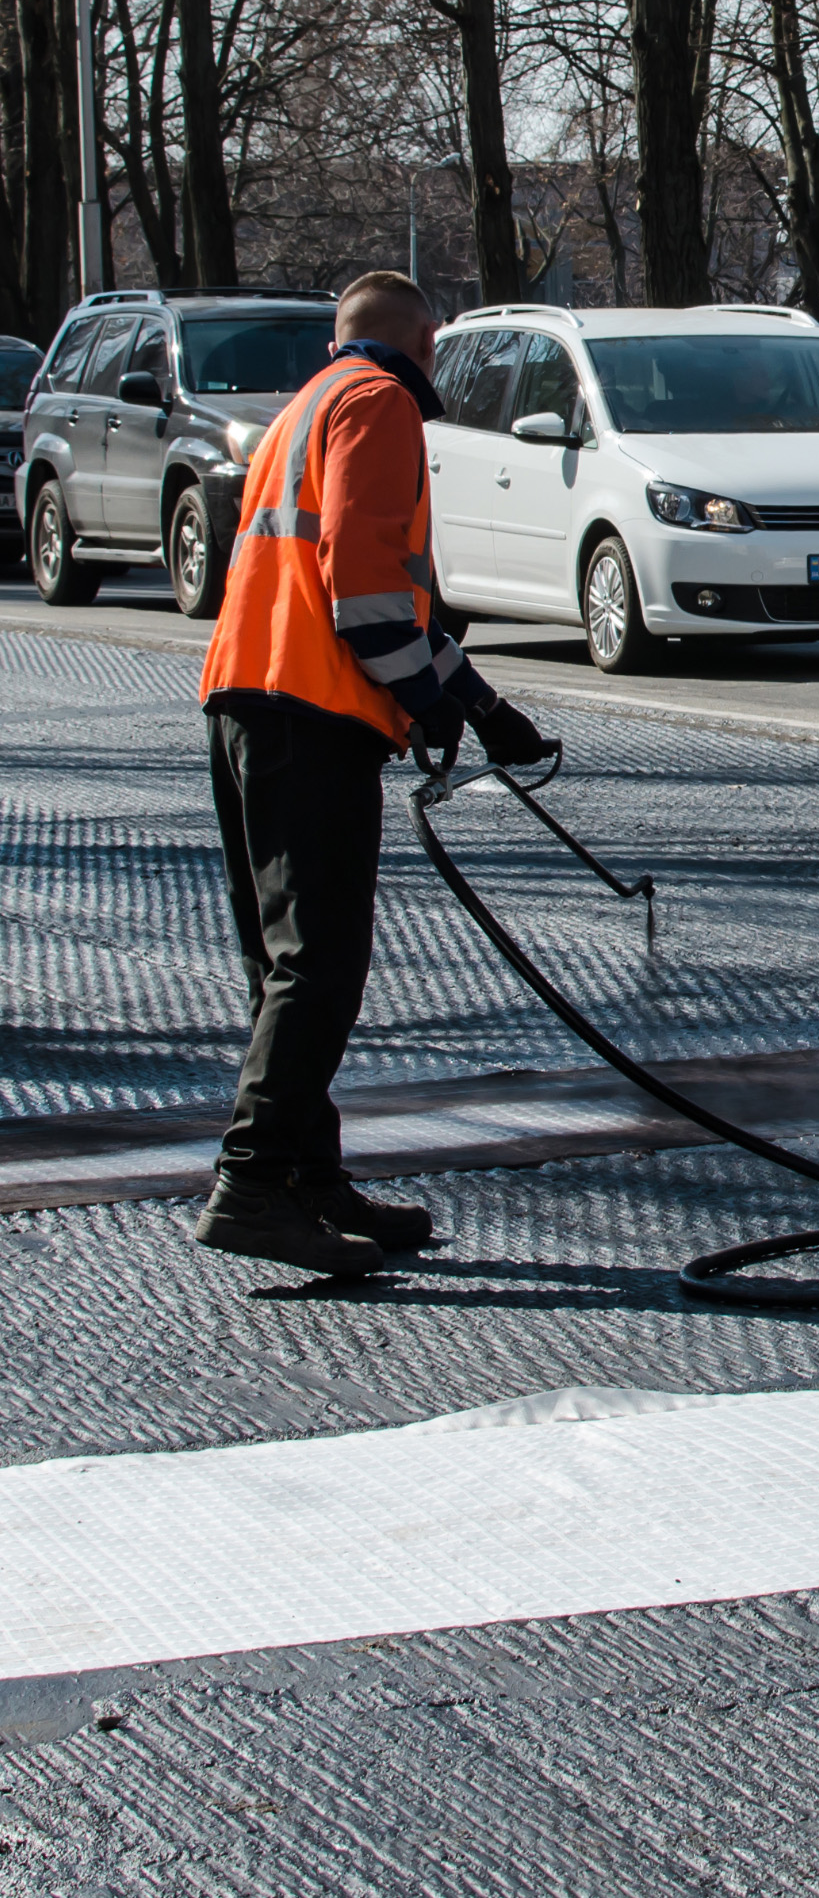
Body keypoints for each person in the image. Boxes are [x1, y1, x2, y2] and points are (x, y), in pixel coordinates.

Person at [193, 270, 549, 1277]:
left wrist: (481, 706)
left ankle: (308, 1172)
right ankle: (253, 1183)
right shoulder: (383, 403)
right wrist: (432, 705)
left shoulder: (304, 406)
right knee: (321, 964)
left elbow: (380, 594)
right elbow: (364, 589)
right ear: (425, 343)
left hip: (247, 698)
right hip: (312, 710)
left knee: (281, 963)